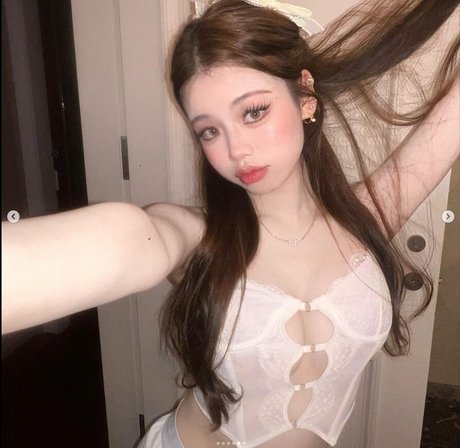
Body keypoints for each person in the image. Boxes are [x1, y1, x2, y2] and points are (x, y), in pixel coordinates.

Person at [2, 0, 459, 447]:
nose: (235, 150)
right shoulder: (200, 238)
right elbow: (134, 239)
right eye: (209, 131)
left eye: (253, 112)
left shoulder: (368, 215)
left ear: (304, 95)